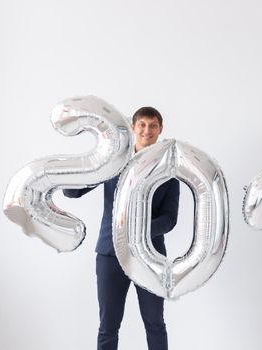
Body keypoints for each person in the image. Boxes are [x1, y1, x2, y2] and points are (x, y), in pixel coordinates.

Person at [63, 107, 180, 350]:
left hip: (151, 256)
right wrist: (81, 168)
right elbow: (72, 192)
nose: (147, 130)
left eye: (153, 125)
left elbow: (170, 219)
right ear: (133, 127)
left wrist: (137, 230)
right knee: (108, 326)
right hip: (110, 253)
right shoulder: (115, 162)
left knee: (155, 323)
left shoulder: (170, 172)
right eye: (142, 125)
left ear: (160, 129)